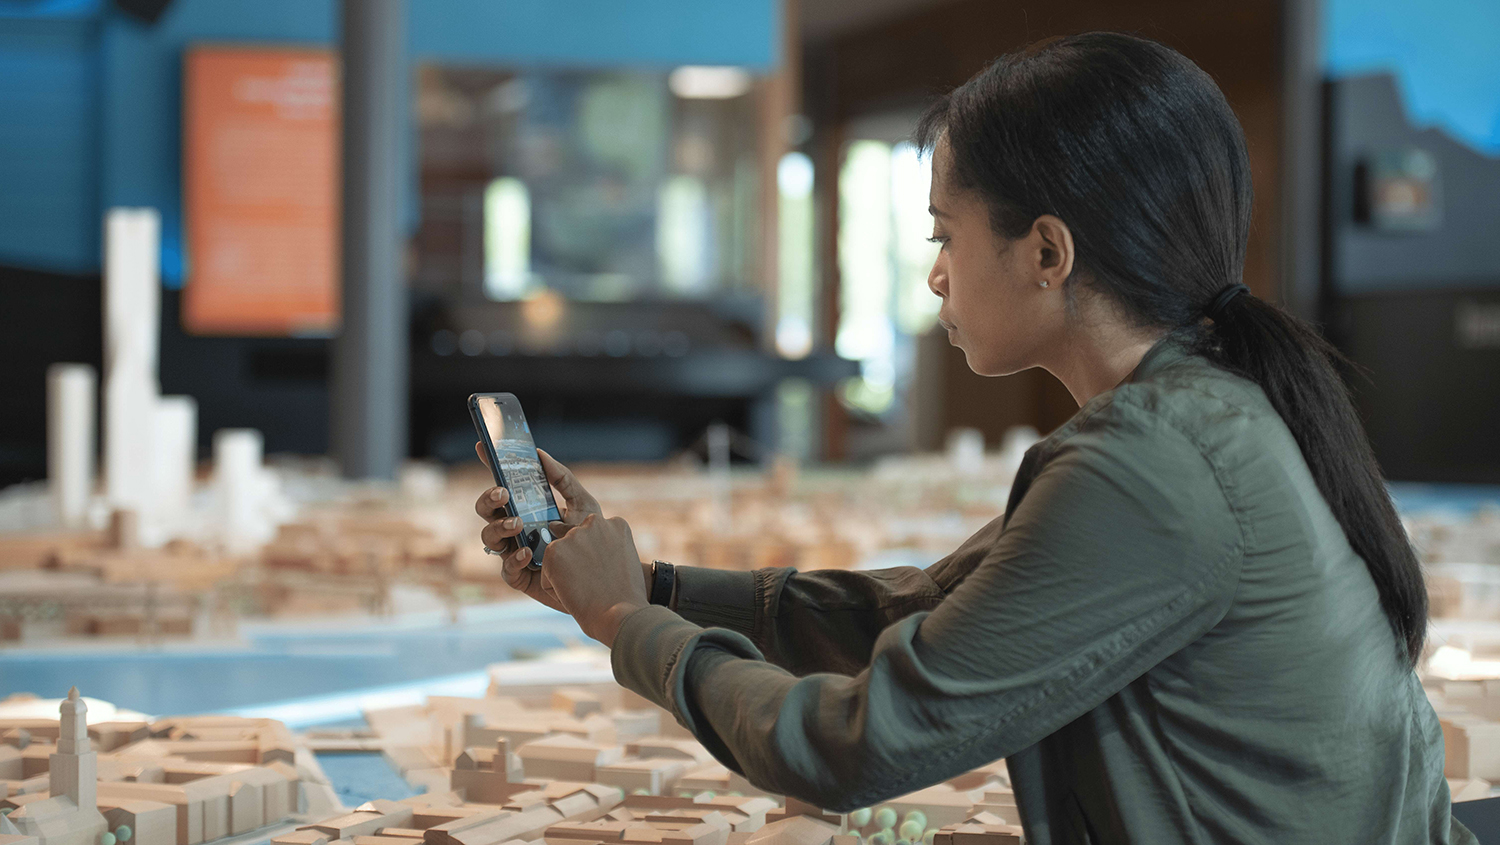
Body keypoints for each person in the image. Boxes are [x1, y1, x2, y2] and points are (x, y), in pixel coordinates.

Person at [472, 32, 1470, 845]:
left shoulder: (1153, 465)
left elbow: (851, 747)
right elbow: (925, 611)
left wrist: (624, 622)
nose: (937, 273)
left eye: (944, 234)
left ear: (1047, 252)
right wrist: (650, 586)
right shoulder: (1206, 404)